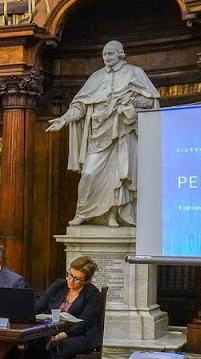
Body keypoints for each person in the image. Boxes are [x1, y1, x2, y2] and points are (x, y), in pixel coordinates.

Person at [47, 40, 160, 227]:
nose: (106, 57)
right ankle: (83, 212)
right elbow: (80, 105)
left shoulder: (134, 73)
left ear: (120, 53)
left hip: (122, 133)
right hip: (98, 135)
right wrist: (64, 119)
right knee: (89, 173)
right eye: (104, 54)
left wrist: (130, 102)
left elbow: (150, 101)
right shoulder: (96, 77)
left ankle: (112, 215)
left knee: (118, 176)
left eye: (110, 54)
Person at [11, 256, 104, 359]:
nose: (71, 281)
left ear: (87, 281)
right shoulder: (59, 285)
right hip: (52, 332)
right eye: (70, 275)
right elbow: (40, 306)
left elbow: (85, 323)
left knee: (60, 347)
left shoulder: (92, 294)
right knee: (30, 346)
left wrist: (62, 335)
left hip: (81, 337)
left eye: (77, 279)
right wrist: (24, 315)